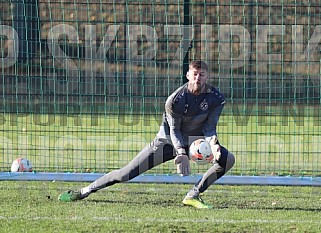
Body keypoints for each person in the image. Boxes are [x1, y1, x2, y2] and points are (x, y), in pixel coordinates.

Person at [58, 60, 235, 209]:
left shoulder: (216, 98)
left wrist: (214, 145)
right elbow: (174, 130)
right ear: (188, 75)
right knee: (125, 174)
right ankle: (84, 191)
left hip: (195, 142)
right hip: (166, 142)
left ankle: (193, 195)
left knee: (227, 159)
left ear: (207, 76)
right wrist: (181, 152)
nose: (198, 78)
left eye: (202, 74)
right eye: (194, 74)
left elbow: (210, 128)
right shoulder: (175, 100)